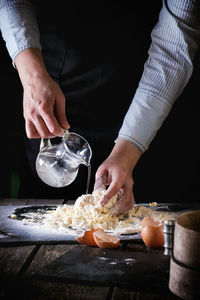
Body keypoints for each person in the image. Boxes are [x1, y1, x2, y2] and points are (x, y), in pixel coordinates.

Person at [0, 0, 200, 215]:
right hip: (55, 80)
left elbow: (173, 47)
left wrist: (128, 150)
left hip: (147, 94)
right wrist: (32, 74)